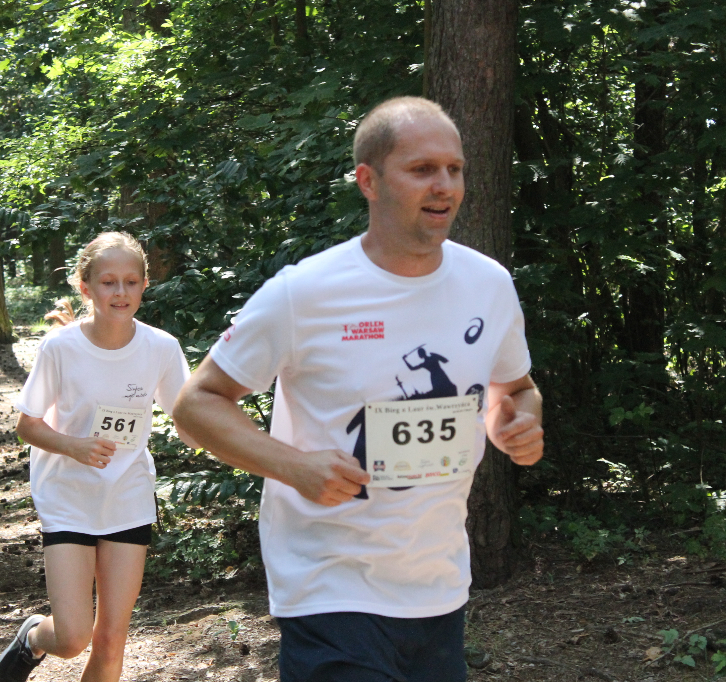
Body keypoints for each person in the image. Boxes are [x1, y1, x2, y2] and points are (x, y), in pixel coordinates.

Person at [173, 96, 544, 682]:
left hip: (438, 586)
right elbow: (195, 404)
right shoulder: (306, 292)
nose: (444, 185)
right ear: (368, 181)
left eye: (454, 169)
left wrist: (515, 422)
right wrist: (293, 466)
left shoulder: (489, 284)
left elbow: (515, 388)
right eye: (422, 170)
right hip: (329, 585)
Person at [0, 232, 198, 682]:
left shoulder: (161, 348)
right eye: (108, 282)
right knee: (72, 638)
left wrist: (209, 436)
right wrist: (75, 446)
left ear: (145, 285)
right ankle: (33, 636)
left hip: (126, 496)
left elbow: (188, 418)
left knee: (110, 643)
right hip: (67, 495)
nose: (120, 292)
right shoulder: (61, 348)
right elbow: (27, 425)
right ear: (85, 287)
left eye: (130, 282)